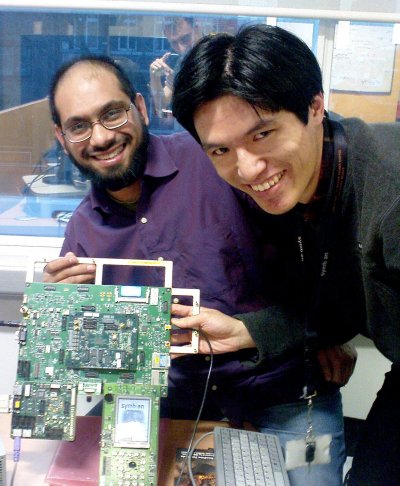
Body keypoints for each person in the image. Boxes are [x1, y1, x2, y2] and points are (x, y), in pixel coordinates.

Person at [44, 54, 355, 486]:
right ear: (62, 138)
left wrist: (325, 333)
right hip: (168, 404)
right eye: (79, 125)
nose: (100, 137)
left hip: (280, 395)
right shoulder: (82, 232)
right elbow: (84, 361)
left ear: (141, 107)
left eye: (112, 113)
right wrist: (59, 316)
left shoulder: (221, 161)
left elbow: (324, 262)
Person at [172, 23, 400, 485]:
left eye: (262, 135)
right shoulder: (299, 187)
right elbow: (341, 300)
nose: (248, 169)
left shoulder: (389, 197)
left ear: (315, 105)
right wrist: (247, 331)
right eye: (220, 149)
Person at [149, 17, 201, 117]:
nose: (181, 48)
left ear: (197, 28)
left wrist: (180, 84)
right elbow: (162, 105)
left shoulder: (216, 52)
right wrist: (154, 77)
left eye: (185, 39)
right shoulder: (181, 61)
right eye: (174, 43)